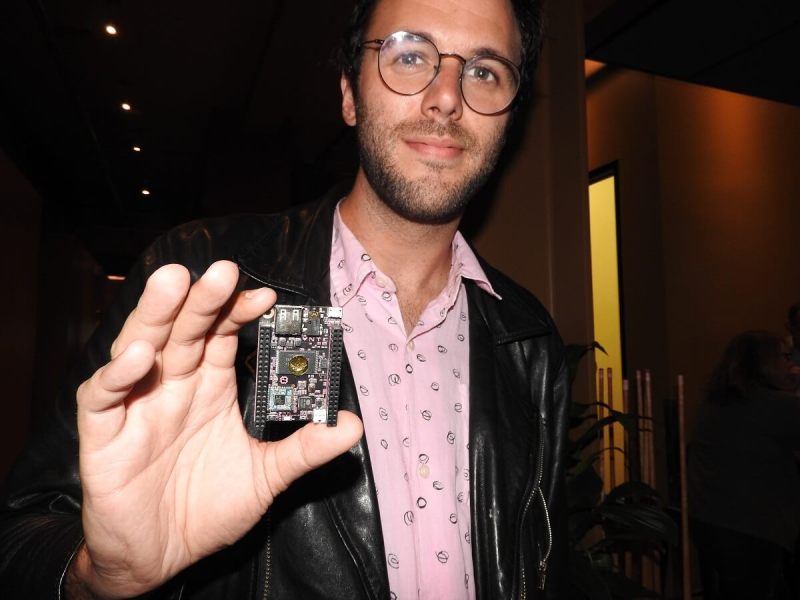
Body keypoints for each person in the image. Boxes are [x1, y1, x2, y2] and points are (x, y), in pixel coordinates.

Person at [0, 0, 569, 598]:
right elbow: (23, 535)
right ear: (350, 94)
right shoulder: (206, 281)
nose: (447, 96)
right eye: (409, 55)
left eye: (484, 70)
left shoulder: (529, 340)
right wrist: (100, 575)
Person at [688, 331, 800, 600]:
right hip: (753, 527)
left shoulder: (716, 404)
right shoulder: (776, 406)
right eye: (784, 357)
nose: (790, 363)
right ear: (766, 363)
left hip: (710, 522)